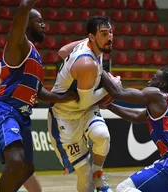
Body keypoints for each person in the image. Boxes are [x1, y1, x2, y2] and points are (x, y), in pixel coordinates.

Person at [0, 1, 78, 191]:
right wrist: (28, 6)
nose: (44, 25)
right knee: (16, 161)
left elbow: (37, 90)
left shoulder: (35, 55)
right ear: (27, 23)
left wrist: (62, 97)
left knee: (27, 168)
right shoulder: (18, 45)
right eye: (39, 21)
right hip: (5, 110)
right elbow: (23, 8)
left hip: (22, 116)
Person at [100, 68, 168, 192]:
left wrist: (99, 69)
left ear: (161, 84)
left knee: (124, 188)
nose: (149, 81)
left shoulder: (157, 94)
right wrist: (109, 106)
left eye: (153, 78)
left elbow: (119, 93)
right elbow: (137, 117)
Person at [48, 16, 117, 192]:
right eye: (104, 34)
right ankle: (92, 174)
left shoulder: (93, 46)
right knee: (84, 173)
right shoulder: (86, 62)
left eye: (110, 33)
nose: (109, 37)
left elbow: (62, 51)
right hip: (64, 115)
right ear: (92, 37)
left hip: (84, 108)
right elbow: (86, 100)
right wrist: (112, 87)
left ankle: (98, 174)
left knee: (102, 136)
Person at [0, 63, 42, 192]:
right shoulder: (0, 69)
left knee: (22, 165)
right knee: (17, 161)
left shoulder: (26, 75)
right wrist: (2, 109)